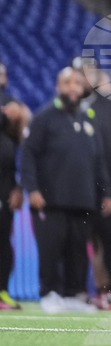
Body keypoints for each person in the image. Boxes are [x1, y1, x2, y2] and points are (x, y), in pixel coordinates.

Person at [20, 68, 111, 312]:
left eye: (77, 83)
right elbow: (28, 155)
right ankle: (49, 292)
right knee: (51, 247)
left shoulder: (88, 120)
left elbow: (99, 161)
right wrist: (32, 189)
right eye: (67, 83)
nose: (73, 87)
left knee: (78, 250)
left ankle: (73, 294)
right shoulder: (43, 118)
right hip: (50, 199)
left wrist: (105, 193)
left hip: (83, 199)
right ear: (57, 87)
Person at [79, 63, 111, 310]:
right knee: (82, 241)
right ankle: (87, 290)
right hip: (77, 186)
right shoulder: (68, 107)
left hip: (109, 182)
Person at [0, 59, 30, 310]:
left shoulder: (11, 101)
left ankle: (2, 291)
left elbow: (25, 140)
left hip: (5, 184)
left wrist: (19, 186)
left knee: (3, 240)